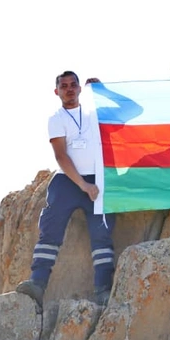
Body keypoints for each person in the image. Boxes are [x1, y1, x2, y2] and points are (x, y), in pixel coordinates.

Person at [16, 72, 116, 308]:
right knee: (50, 230)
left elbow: (133, 112)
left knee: (102, 234)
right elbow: (61, 155)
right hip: (68, 181)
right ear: (57, 91)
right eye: (64, 86)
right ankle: (37, 284)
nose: (69, 89)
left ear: (81, 88)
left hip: (98, 179)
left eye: (73, 85)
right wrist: (83, 185)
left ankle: (103, 289)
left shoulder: (95, 113)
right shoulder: (56, 118)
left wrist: (105, 92)